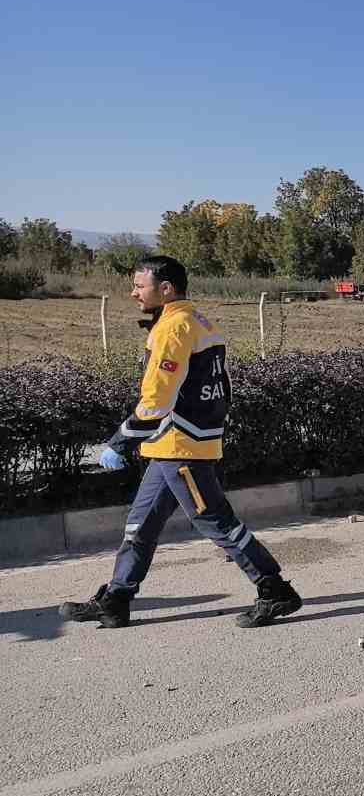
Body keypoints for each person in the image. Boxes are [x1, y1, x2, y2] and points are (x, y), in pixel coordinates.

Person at [59, 256, 303, 629]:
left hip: (182, 447)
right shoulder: (200, 321)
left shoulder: (174, 328)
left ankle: (275, 591)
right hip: (171, 446)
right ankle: (116, 599)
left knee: (217, 522)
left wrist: (119, 442)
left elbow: (156, 400)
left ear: (166, 288)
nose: (133, 292)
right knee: (140, 527)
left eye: (139, 286)